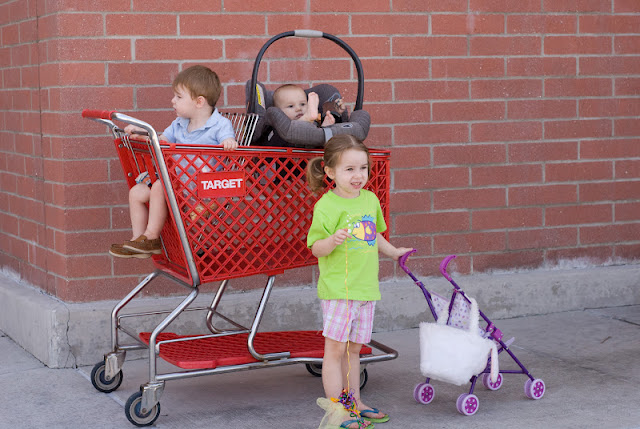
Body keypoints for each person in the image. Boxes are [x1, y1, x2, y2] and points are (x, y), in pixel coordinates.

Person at [306, 135, 413, 428]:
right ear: (330, 172)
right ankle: (338, 412)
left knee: (354, 350)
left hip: (366, 290)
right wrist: (332, 240)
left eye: (363, 168)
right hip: (340, 291)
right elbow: (315, 248)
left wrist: (393, 252)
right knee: (335, 351)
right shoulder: (327, 206)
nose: (358, 176)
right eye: (349, 169)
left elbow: (374, 234)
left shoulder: (369, 200)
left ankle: (355, 403)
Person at [110, 65, 238, 258]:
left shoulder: (220, 125)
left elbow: (228, 141)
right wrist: (142, 133)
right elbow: (160, 140)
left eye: (178, 97)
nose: (173, 101)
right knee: (137, 192)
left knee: (159, 186)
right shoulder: (179, 124)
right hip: (176, 184)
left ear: (199, 102)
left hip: (200, 190)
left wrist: (229, 142)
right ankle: (138, 241)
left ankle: (151, 237)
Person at [272, 84, 346, 128]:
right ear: (278, 111)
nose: (298, 109)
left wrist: (326, 124)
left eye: (302, 104)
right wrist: (306, 119)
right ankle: (305, 120)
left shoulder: (315, 120)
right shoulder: (278, 126)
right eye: (291, 106)